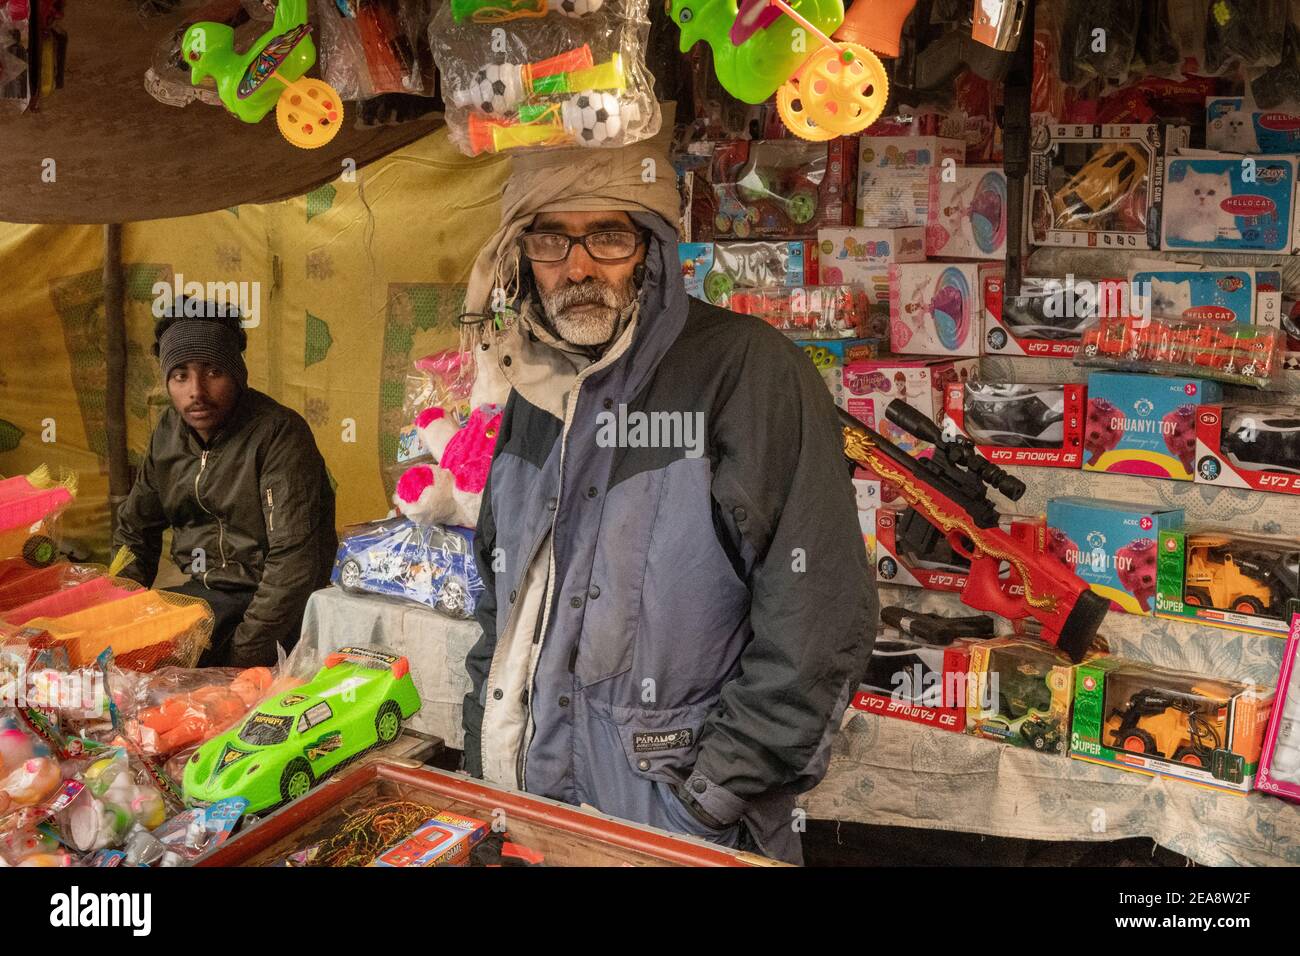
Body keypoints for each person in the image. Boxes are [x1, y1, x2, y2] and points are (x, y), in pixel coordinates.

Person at [460, 125, 878, 864]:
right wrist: (480, 738)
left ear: (652, 250)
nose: (578, 268)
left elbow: (819, 619)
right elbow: (501, 597)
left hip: (670, 829)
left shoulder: (745, 372)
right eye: (551, 240)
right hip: (524, 817)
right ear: (522, 256)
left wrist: (711, 795)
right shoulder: (532, 388)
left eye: (609, 238)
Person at [113, 304, 337, 667]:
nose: (196, 391)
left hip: (270, 608)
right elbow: (135, 532)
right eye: (180, 376)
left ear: (238, 374)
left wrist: (242, 658)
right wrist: (118, 616)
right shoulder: (168, 434)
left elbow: (294, 565)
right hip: (203, 598)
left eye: (213, 371)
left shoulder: (278, 434)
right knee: (114, 658)